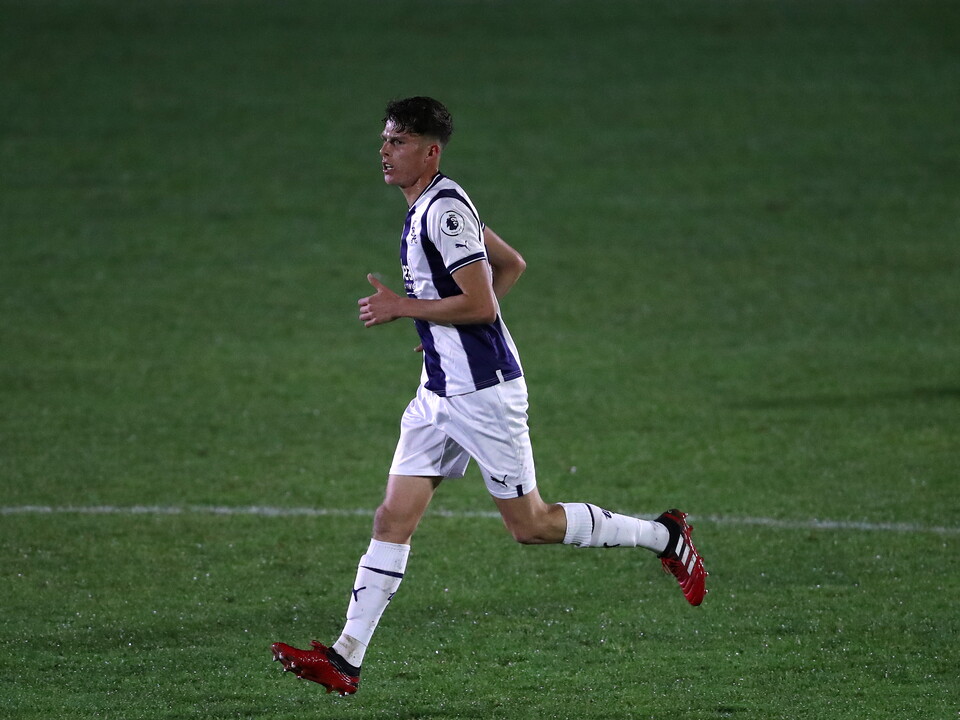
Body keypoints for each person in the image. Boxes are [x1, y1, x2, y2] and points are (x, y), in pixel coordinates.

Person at [271, 97, 707, 696]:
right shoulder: (433, 203)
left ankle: (665, 536)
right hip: (438, 394)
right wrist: (436, 334)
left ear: (430, 151)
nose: (384, 150)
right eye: (384, 139)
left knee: (531, 525)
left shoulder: (443, 211)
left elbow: (481, 303)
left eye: (398, 141)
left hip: (483, 395)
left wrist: (406, 309)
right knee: (393, 516)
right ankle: (346, 659)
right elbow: (512, 263)